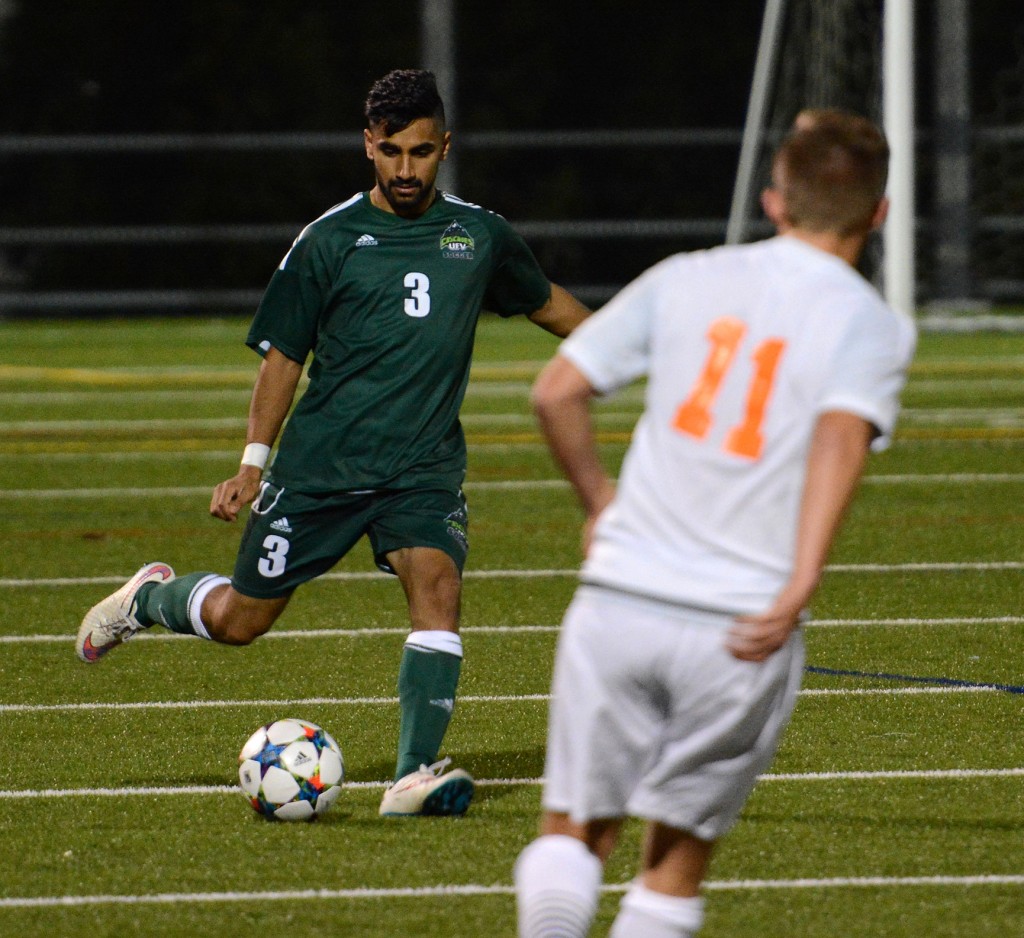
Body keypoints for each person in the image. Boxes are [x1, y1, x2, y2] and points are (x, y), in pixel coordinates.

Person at [75, 68, 590, 818]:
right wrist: (253, 464)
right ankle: (150, 598)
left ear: (444, 147)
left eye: (421, 152)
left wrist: (637, 343)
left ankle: (414, 774)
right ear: (368, 147)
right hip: (322, 470)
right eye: (391, 152)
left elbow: (546, 306)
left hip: (422, 468)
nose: (406, 169)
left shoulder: (478, 235)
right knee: (242, 620)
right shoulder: (329, 240)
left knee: (438, 594)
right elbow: (284, 356)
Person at [514, 112, 915, 936]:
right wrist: (802, 579)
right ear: (879, 214)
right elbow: (841, 438)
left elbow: (556, 391)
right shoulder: (871, 323)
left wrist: (602, 504)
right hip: (739, 625)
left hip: (621, 598)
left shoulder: (686, 275)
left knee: (574, 833)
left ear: (773, 199)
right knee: (672, 864)